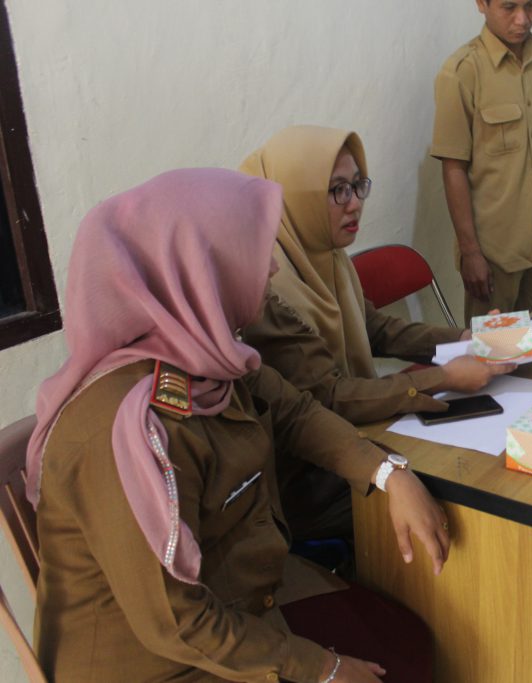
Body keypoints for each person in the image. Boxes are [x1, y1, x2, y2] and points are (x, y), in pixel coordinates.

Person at [28, 168, 449, 683]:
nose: (271, 267)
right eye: (252, 251)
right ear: (197, 272)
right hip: (163, 665)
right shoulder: (129, 434)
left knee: (410, 637)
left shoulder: (205, 359)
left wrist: (389, 473)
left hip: (240, 603)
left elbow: (296, 413)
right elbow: (177, 624)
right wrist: (323, 667)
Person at [240, 125, 513, 544]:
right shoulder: (270, 288)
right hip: (313, 478)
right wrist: (443, 377)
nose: (354, 204)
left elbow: (374, 328)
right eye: (337, 190)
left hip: (360, 434)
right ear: (295, 196)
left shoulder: (325, 254)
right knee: (461, 495)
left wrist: (463, 338)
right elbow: (328, 398)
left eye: (357, 185)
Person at [431, 0, 532, 325]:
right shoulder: (462, 71)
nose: (522, 19)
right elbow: (453, 167)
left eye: (531, 6)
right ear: (481, 4)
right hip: (494, 254)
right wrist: (470, 252)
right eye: (509, 7)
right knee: (495, 350)